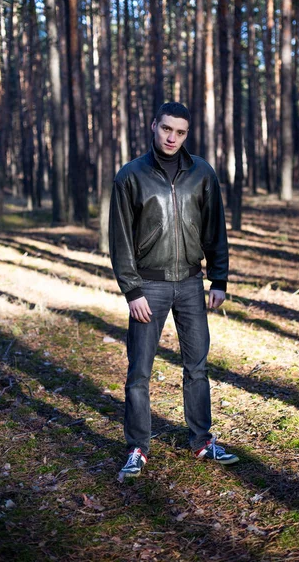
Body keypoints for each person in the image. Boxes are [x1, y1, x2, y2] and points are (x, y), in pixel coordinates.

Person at [109, 102, 239, 477]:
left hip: (191, 283)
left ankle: (201, 441)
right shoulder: (130, 176)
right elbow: (120, 240)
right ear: (154, 126)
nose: (172, 137)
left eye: (180, 132)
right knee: (140, 372)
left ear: (186, 134)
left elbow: (215, 228)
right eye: (166, 129)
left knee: (197, 367)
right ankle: (137, 447)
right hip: (149, 286)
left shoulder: (201, 173)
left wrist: (219, 278)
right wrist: (132, 291)